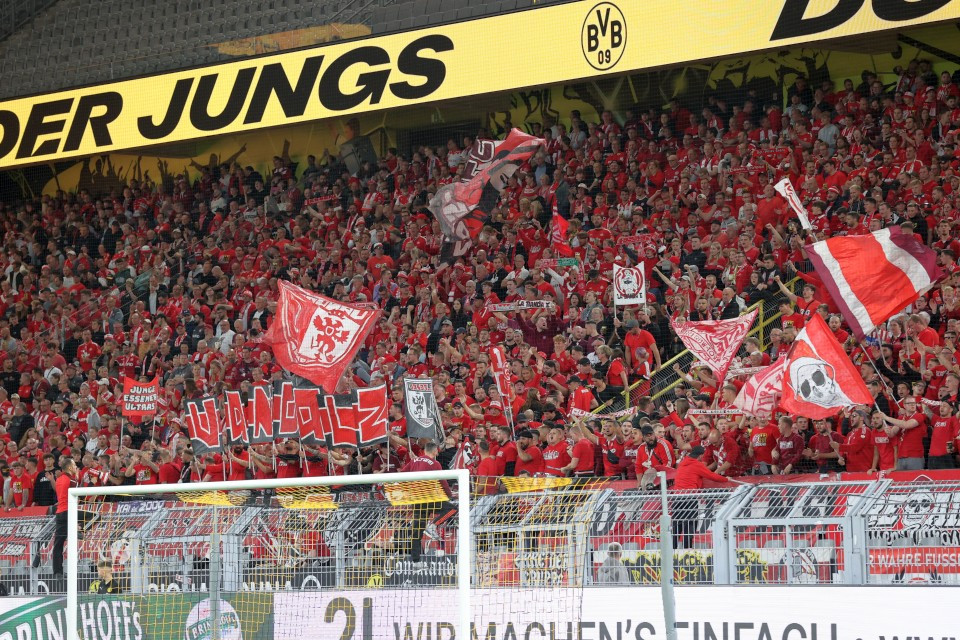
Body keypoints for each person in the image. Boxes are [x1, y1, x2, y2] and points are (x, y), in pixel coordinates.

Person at [399, 441, 456, 561]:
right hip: (429, 498)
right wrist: (449, 495)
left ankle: (415, 561)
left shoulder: (414, 461)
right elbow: (443, 482)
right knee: (452, 509)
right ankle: (434, 524)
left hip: (416, 500)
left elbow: (401, 475)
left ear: (424, 451)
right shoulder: (435, 463)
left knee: (417, 532)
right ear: (435, 451)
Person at [51, 457, 79, 577]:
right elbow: (78, 496)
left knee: (58, 544)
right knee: (95, 516)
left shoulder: (59, 479)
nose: (76, 467)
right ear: (69, 467)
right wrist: (77, 478)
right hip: (70, 512)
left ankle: (57, 571)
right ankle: (80, 530)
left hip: (60, 513)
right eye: (74, 465)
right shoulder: (72, 480)